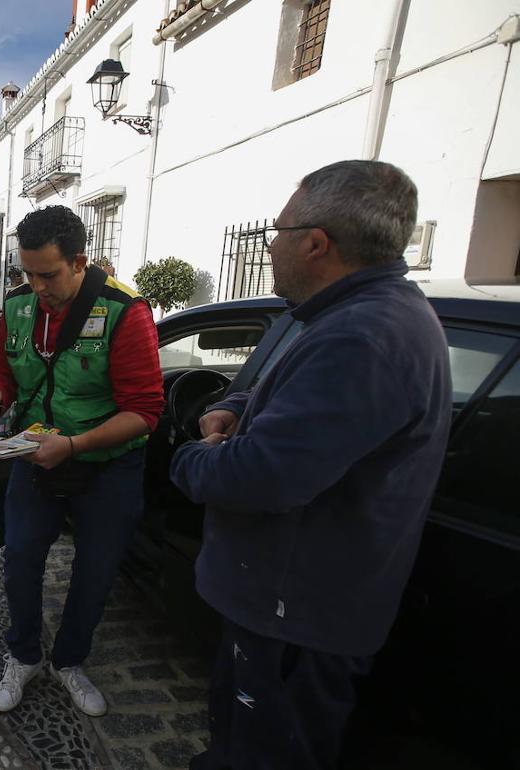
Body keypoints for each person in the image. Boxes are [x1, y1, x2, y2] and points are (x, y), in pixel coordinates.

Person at [170, 160, 451, 770]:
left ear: (316, 243)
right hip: (294, 607)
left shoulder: (364, 333)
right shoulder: (352, 315)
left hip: (295, 619)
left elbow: (261, 476)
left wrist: (189, 459)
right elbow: (304, 401)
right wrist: (238, 404)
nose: (270, 249)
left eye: (278, 233)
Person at [0, 205, 164, 716]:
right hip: (36, 454)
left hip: (108, 464)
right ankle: (24, 655)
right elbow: (4, 369)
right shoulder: (17, 306)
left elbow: (145, 412)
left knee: (96, 569)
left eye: (48, 274)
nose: (36, 286)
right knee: (19, 559)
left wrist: (76, 445)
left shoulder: (126, 310)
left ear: (80, 261)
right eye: (26, 273)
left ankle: (71, 661)